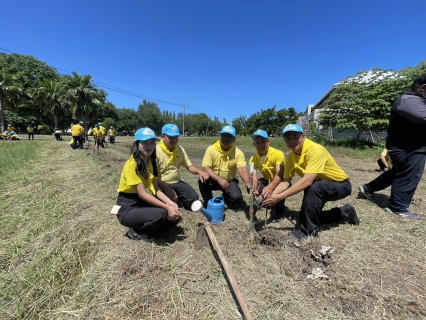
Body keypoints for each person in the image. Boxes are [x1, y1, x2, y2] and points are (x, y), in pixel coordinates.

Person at [263, 124, 359, 241]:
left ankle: (307, 232)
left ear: (304, 136)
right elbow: (285, 182)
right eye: (288, 138)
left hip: (341, 185)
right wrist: (272, 195)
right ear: (284, 140)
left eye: (295, 137)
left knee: (314, 187)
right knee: (308, 216)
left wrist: (280, 197)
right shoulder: (290, 157)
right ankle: (344, 212)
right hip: (319, 184)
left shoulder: (315, 150)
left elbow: (307, 181)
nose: (292, 140)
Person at [358, 74, 426, 220]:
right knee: (408, 175)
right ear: (423, 88)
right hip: (408, 148)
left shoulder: (413, 100)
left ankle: (368, 188)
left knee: (398, 173)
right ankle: (398, 207)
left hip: (406, 146)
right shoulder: (410, 100)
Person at [115, 127, 182, 242]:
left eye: (152, 142)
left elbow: (156, 189)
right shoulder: (132, 164)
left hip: (141, 203)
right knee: (161, 213)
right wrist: (166, 207)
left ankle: (149, 229)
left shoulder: (151, 161)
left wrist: (170, 203)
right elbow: (142, 194)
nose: (149, 146)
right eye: (145, 142)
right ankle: (136, 232)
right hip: (127, 207)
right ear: (137, 144)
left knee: (174, 219)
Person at [156, 124, 209, 209]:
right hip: (161, 184)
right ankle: (168, 198)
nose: (174, 140)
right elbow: (152, 177)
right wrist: (166, 189)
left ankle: (175, 198)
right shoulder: (156, 151)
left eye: (176, 137)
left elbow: (189, 166)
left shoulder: (179, 149)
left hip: (176, 182)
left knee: (193, 197)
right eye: (171, 137)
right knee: (162, 202)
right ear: (162, 136)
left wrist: (200, 172)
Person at [199, 125, 251, 208]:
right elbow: (205, 168)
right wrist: (219, 180)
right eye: (224, 135)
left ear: (234, 139)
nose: (226, 138)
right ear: (220, 136)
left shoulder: (238, 152)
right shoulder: (211, 149)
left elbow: (242, 169)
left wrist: (247, 182)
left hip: (229, 181)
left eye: (229, 136)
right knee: (202, 179)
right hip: (213, 180)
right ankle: (208, 200)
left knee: (236, 198)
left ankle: (225, 196)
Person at [249, 129, 286, 223]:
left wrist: (271, 187)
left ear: (268, 142)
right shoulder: (253, 159)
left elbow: (279, 174)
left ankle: (279, 211)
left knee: (280, 189)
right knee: (251, 188)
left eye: (263, 142)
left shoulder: (278, 154)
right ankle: (263, 202)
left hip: (278, 181)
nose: (260, 145)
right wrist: (254, 186)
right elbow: (253, 174)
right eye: (257, 142)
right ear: (254, 144)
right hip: (266, 180)